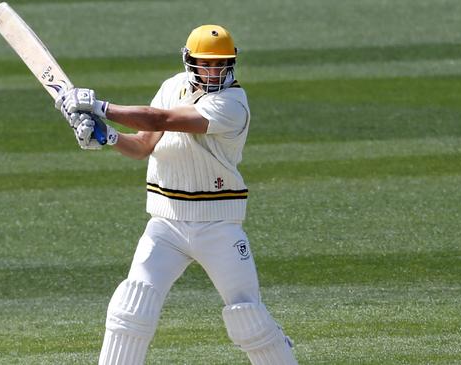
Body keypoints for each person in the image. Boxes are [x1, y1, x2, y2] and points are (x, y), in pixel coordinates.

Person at [55, 25, 298, 365]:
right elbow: (142, 145)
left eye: (221, 64)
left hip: (218, 225)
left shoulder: (232, 104)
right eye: (206, 63)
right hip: (166, 223)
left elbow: (163, 118)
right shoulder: (172, 87)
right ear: (189, 60)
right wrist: (106, 135)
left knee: (248, 319)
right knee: (131, 308)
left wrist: (100, 107)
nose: (214, 71)